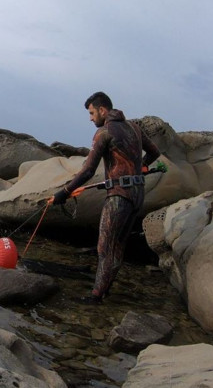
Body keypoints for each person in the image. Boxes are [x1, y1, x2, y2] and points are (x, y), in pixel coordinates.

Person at [52, 91, 160, 304]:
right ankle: (104, 290)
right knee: (117, 246)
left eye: (92, 113)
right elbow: (155, 152)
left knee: (104, 247)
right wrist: (141, 168)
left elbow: (87, 171)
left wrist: (63, 193)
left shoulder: (104, 132)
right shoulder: (135, 128)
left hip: (119, 196)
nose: (91, 118)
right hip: (138, 195)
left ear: (102, 110)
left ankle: (95, 297)